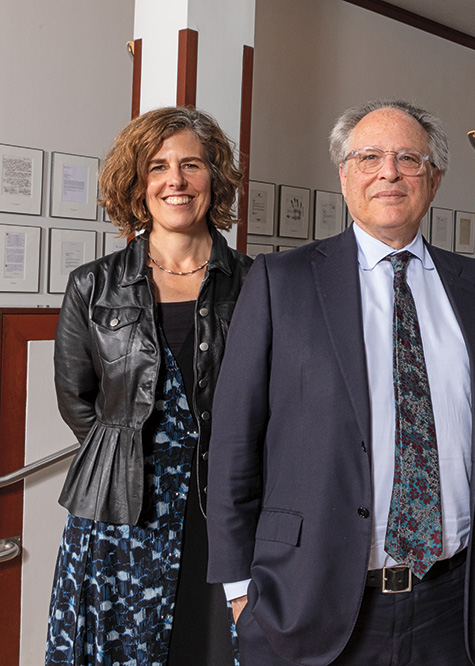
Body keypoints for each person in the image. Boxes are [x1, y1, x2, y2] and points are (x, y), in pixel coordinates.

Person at [206, 99, 475, 666]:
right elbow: (233, 443)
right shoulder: (282, 282)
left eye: (408, 158)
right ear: (344, 174)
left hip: (455, 606)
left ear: (435, 178)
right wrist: (239, 595)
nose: (389, 172)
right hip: (311, 603)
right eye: (370, 157)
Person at [47, 106, 252, 666]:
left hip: (226, 505)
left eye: (191, 164)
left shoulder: (258, 284)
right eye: (157, 166)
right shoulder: (92, 285)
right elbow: (77, 400)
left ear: (216, 177)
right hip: (121, 509)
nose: (175, 181)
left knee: (214, 648)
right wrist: (136, 460)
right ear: (138, 184)